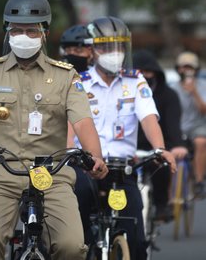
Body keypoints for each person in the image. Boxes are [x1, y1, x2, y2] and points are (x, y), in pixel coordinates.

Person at [0, 0, 108, 259]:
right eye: (17, 29)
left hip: (52, 175)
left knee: (72, 247)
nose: (23, 35)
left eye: (31, 30)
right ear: (7, 32)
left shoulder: (65, 75)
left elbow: (83, 121)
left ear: (44, 33)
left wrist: (95, 156)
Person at [69, 16, 177, 260]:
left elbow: (149, 118)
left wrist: (160, 149)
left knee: (138, 241)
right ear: (92, 50)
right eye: (106, 46)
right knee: (77, 239)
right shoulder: (78, 83)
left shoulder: (135, 80)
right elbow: (70, 127)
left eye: (118, 46)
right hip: (85, 169)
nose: (113, 53)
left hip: (122, 170)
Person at [133, 49, 188, 220]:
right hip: (131, 147)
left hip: (159, 144)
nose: (144, 76)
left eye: (148, 72)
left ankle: (161, 204)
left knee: (161, 165)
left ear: (156, 73)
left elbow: (173, 123)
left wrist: (177, 145)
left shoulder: (169, 95)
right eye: (140, 72)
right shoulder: (124, 92)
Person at [171, 51, 206, 197]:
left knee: (200, 142)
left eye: (189, 67)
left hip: (198, 126)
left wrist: (194, 93)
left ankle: (198, 180)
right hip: (178, 127)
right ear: (178, 69)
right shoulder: (172, 87)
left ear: (196, 69)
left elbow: (204, 110)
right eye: (183, 67)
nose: (186, 70)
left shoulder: (203, 85)